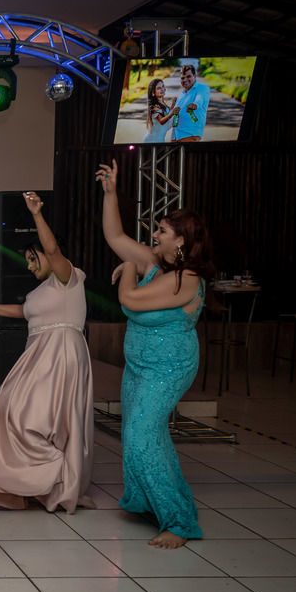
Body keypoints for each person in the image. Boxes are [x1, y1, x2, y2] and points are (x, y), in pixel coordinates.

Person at [0, 191, 95, 514]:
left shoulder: (67, 277)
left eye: (33, 258)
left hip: (60, 356)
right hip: (38, 356)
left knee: (38, 420)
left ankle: (52, 479)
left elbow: (53, 249)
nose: (29, 266)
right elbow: (23, 312)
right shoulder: (42, 288)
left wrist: (36, 214)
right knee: (7, 414)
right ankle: (25, 479)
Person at [97, 159, 212, 548]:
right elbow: (114, 235)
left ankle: (179, 523)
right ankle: (148, 502)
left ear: (180, 240)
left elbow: (128, 296)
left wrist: (127, 267)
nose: (155, 233)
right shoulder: (156, 265)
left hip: (168, 368)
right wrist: (111, 193)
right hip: (139, 366)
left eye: (162, 230)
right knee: (139, 436)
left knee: (143, 435)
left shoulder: (186, 279)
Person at [171, 63, 210, 142]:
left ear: (195, 76)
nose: (185, 80)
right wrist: (172, 106)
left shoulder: (202, 88)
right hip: (175, 137)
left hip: (189, 135)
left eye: (188, 76)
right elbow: (174, 115)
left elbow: (200, 98)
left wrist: (195, 105)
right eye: (182, 78)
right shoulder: (182, 94)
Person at [141, 78, 177, 144]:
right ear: (153, 93)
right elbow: (161, 121)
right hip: (152, 141)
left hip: (159, 140)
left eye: (163, 86)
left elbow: (167, 118)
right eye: (159, 88)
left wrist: (173, 106)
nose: (162, 89)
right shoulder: (154, 106)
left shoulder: (163, 104)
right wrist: (172, 113)